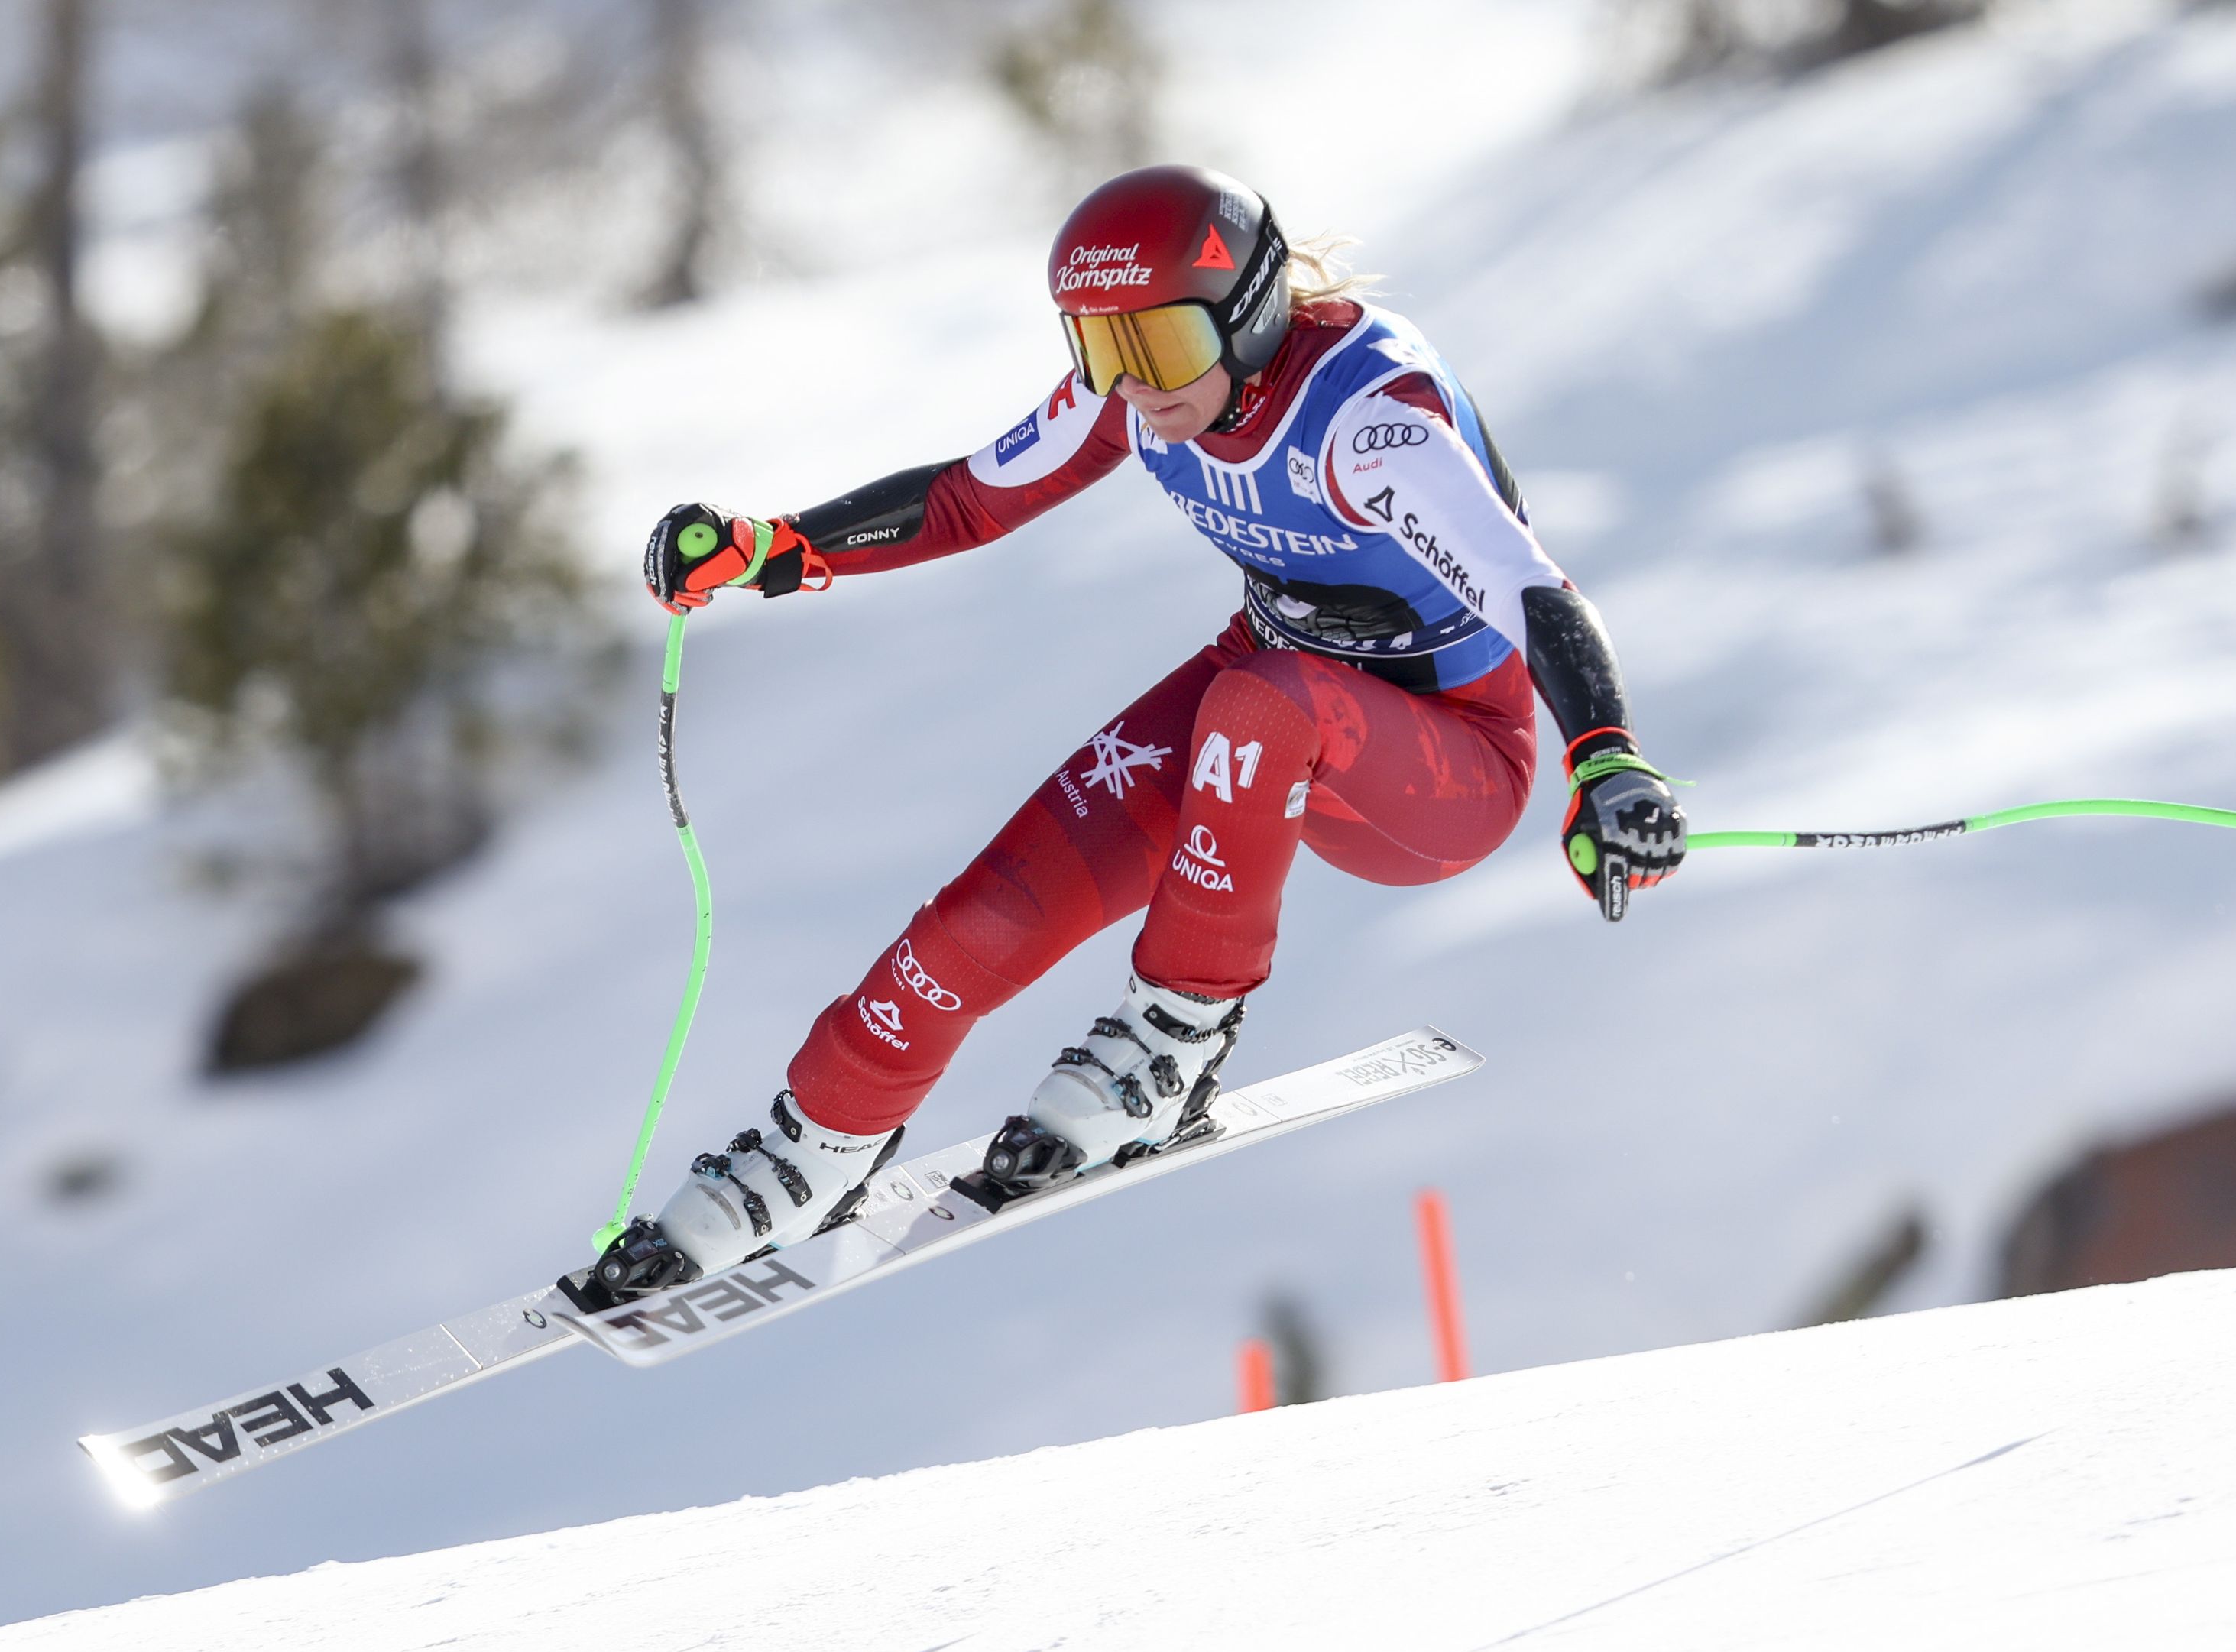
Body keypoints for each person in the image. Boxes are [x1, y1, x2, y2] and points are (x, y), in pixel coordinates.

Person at [596, 165, 1683, 1294]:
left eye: (1158, 348)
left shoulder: (1367, 424)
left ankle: (1174, 1039)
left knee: (1261, 701)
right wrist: (775, 550)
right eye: (1101, 349)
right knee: (980, 917)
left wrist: (1605, 761)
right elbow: (973, 497)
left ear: (1251, 309)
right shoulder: (1140, 385)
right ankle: (815, 1144)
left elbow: (1533, 591)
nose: (1134, 386)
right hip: (1260, 712)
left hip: (1443, 763)